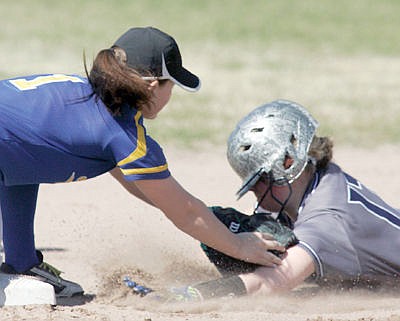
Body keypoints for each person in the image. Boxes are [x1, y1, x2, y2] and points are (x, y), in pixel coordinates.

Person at [0, 27, 284, 299]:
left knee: (23, 160)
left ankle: (21, 263)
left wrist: (213, 222)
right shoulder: (122, 136)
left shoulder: (82, 97)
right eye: (171, 85)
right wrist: (238, 245)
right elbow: (185, 212)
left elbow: (153, 191)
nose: (171, 95)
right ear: (151, 87)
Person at [156, 99, 400, 302]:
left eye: (260, 180)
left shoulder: (325, 220)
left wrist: (188, 296)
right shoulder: (317, 177)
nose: (255, 192)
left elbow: (267, 285)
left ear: (288, 164)